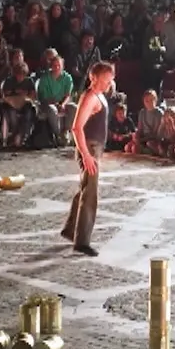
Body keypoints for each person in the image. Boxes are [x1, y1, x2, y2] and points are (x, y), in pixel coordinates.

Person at [62, 61, 115, 258]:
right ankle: (82, 241)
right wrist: (86, 155)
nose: (109, 82)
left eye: (111, 78)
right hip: (89, 149)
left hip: (95, 148)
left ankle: (70, 229)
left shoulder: (100, 93)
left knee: (85, 189)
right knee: (90, 194)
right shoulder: (90, 97)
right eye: (106, 78)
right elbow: (76, 128)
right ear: (95, 78)